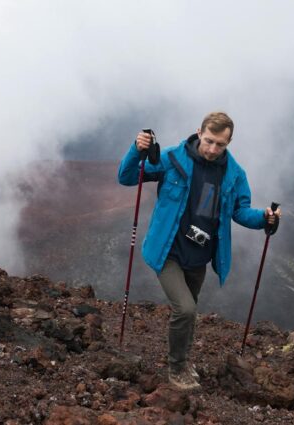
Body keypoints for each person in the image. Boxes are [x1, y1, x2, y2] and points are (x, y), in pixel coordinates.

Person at [117, 111, 281, 390]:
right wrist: (137, 150)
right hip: (166, 250)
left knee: (189, 314)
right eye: (209, 141)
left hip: (200, 255)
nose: (213, 149)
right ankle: (177, 369)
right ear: (198, 132)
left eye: (221, 144)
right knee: (186, 309)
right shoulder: (171, 159)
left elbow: (241, 212)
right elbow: (128, 177)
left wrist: (265, 218)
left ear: (229, 143)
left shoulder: (234, 174)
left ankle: (183, 359)